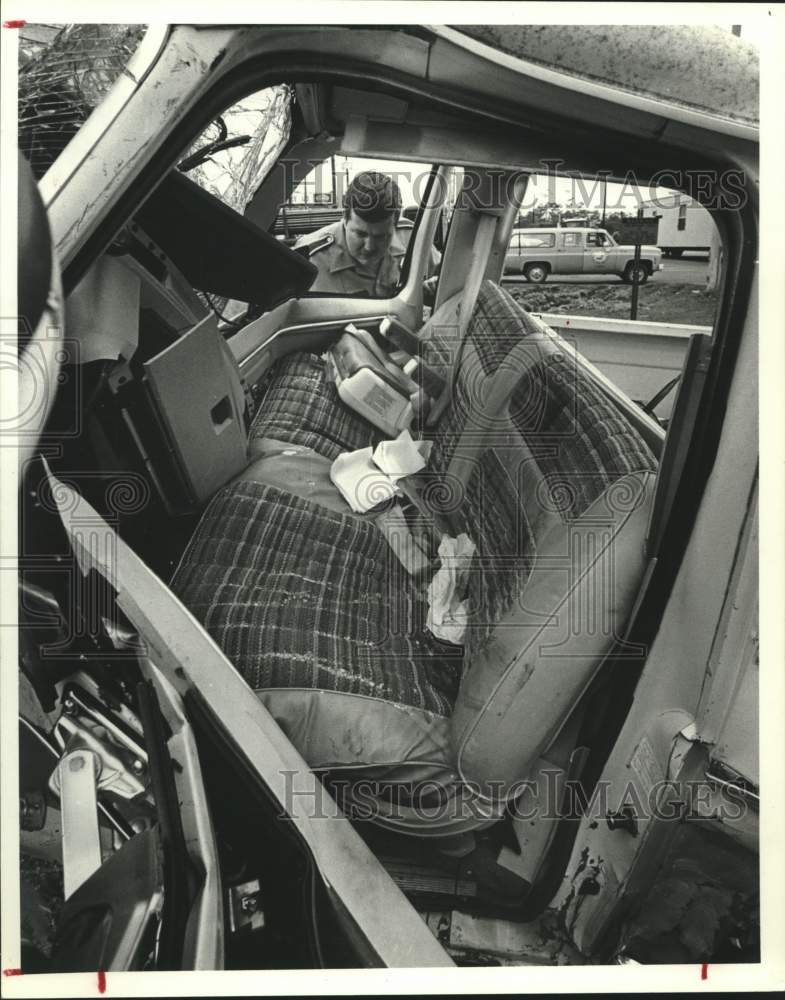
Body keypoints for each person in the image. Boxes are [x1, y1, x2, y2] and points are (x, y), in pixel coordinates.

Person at [295, 171, 406, 298]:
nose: (369, 247)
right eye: (360, 234)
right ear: (345, 218)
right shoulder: (308, 258)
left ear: (395, 224)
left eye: (381, 236)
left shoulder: (414, 240)